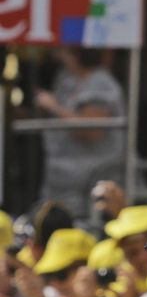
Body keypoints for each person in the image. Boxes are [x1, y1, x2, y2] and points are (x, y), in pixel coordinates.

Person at [35, 47, 125, 222]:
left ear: (75, 55)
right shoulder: (68, 79)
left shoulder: (100, 83)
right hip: (61, 185)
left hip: (89, 186)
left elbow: (92, 131)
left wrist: (53, 106)